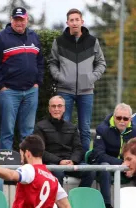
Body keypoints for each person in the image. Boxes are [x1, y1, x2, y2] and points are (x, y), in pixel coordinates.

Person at [48, 8, 106, 153]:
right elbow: (52, 63)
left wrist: (91, 78)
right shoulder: (59, 42)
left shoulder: (92, 41)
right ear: (67, 23)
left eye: (77, 20)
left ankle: (84, 162)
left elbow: (101, 63)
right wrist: (60, 77)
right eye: (71, 20)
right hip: (64, 91)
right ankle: (63, 159)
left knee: (85, 129)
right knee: (64, 128)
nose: (74, 23)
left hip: (86, 92)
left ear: (82, 21)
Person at [0, 7, 44, 150]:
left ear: (27, 19)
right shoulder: (1, 37)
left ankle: (27, 165)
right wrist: (1, 86)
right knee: (7, 131)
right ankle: (6, 167)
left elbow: (40, 61)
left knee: (28, 132)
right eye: (16, 19)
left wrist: (38, 82)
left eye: (22, 19)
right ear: (11, 20)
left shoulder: (34, 36)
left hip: (31, 91)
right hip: (9, 92)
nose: (19, 23)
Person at [33, 95, 95, 189]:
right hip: (52, 164)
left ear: (64, 108)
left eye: (59, 106)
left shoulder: (72, 127)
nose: (56, 109)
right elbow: (40, 151)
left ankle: (78, 199)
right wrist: (59, 161)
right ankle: (59, 203)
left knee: (90, 171)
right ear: (49, 109)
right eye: (53, 106)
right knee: (57, 173)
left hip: (70, 163)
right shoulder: (40, 127)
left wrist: (73, 161)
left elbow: (78, 148)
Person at [90, 103, 136, 208]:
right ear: (114, 117)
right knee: (105, 167)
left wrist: (131, 167)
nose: (122, 121)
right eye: (118, 118)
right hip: (107, 164)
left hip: (126, 166)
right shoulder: (102, 129)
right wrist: (121, 164)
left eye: (125, 118)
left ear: (130, 119)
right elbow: (98, 154)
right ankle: (107, 206)